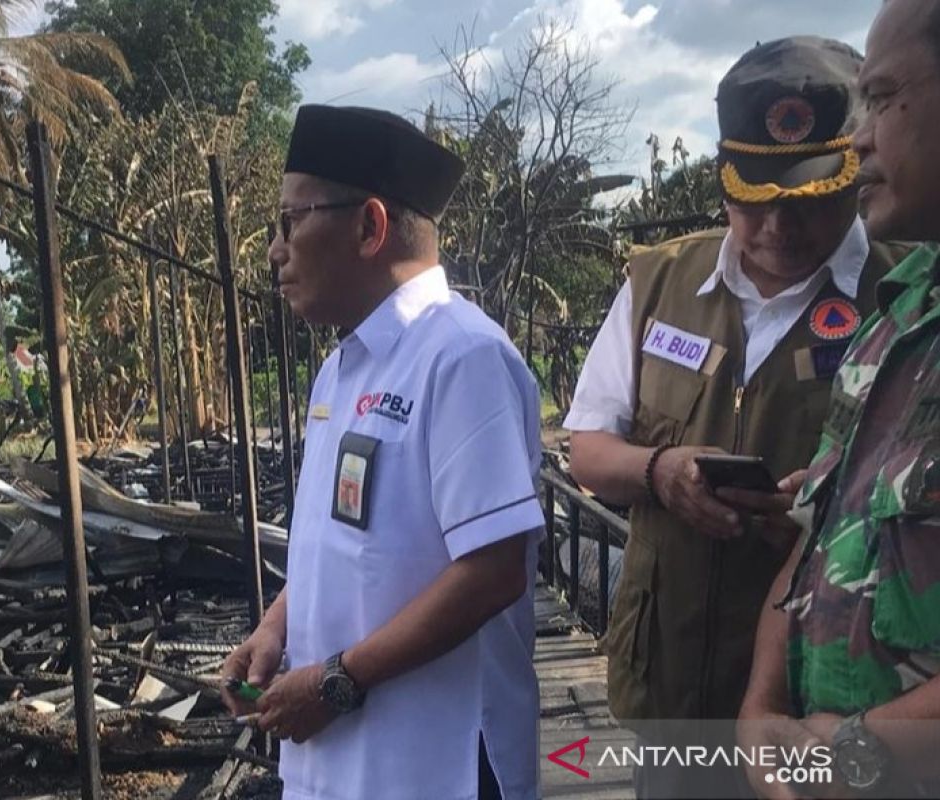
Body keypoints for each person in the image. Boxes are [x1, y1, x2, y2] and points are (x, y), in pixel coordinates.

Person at [563, 36, 910, 797]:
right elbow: (586, 446)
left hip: (829, 712)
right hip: (672, 687)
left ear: (856, 172)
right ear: (725, 180)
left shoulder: (906, 295)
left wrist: (833, 511)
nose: (778, 229)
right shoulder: (660, 282)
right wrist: (661, 472)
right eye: (756, 199)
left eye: (808, 200)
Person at [220, 105, 546, 800]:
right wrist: (275, 628)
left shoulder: (461, 356)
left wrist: (338, 681)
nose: (276, 250)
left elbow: (493, 571)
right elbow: (340, 544)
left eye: (290, 222)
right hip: (339, 757)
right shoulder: (344, 367)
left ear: (369, 226)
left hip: (436, 761)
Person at [738, 2, 940, 797]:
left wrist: (859, 748)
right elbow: (815, 538)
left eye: (884, 96)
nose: (859, 140)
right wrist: (760, 706)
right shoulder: (896, 312)